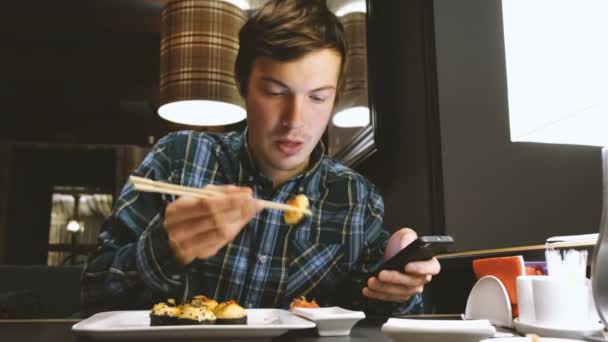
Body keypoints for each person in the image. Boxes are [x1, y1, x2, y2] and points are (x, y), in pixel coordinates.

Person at [81, 0, 440, 315]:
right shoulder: (179, 159)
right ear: (243, 85)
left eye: (317, 98)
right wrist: (165, 248)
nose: (294, 121)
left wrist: (398, 284)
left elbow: (371, 313)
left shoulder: (355, 198)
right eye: (274, 91)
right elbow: (91, 293)